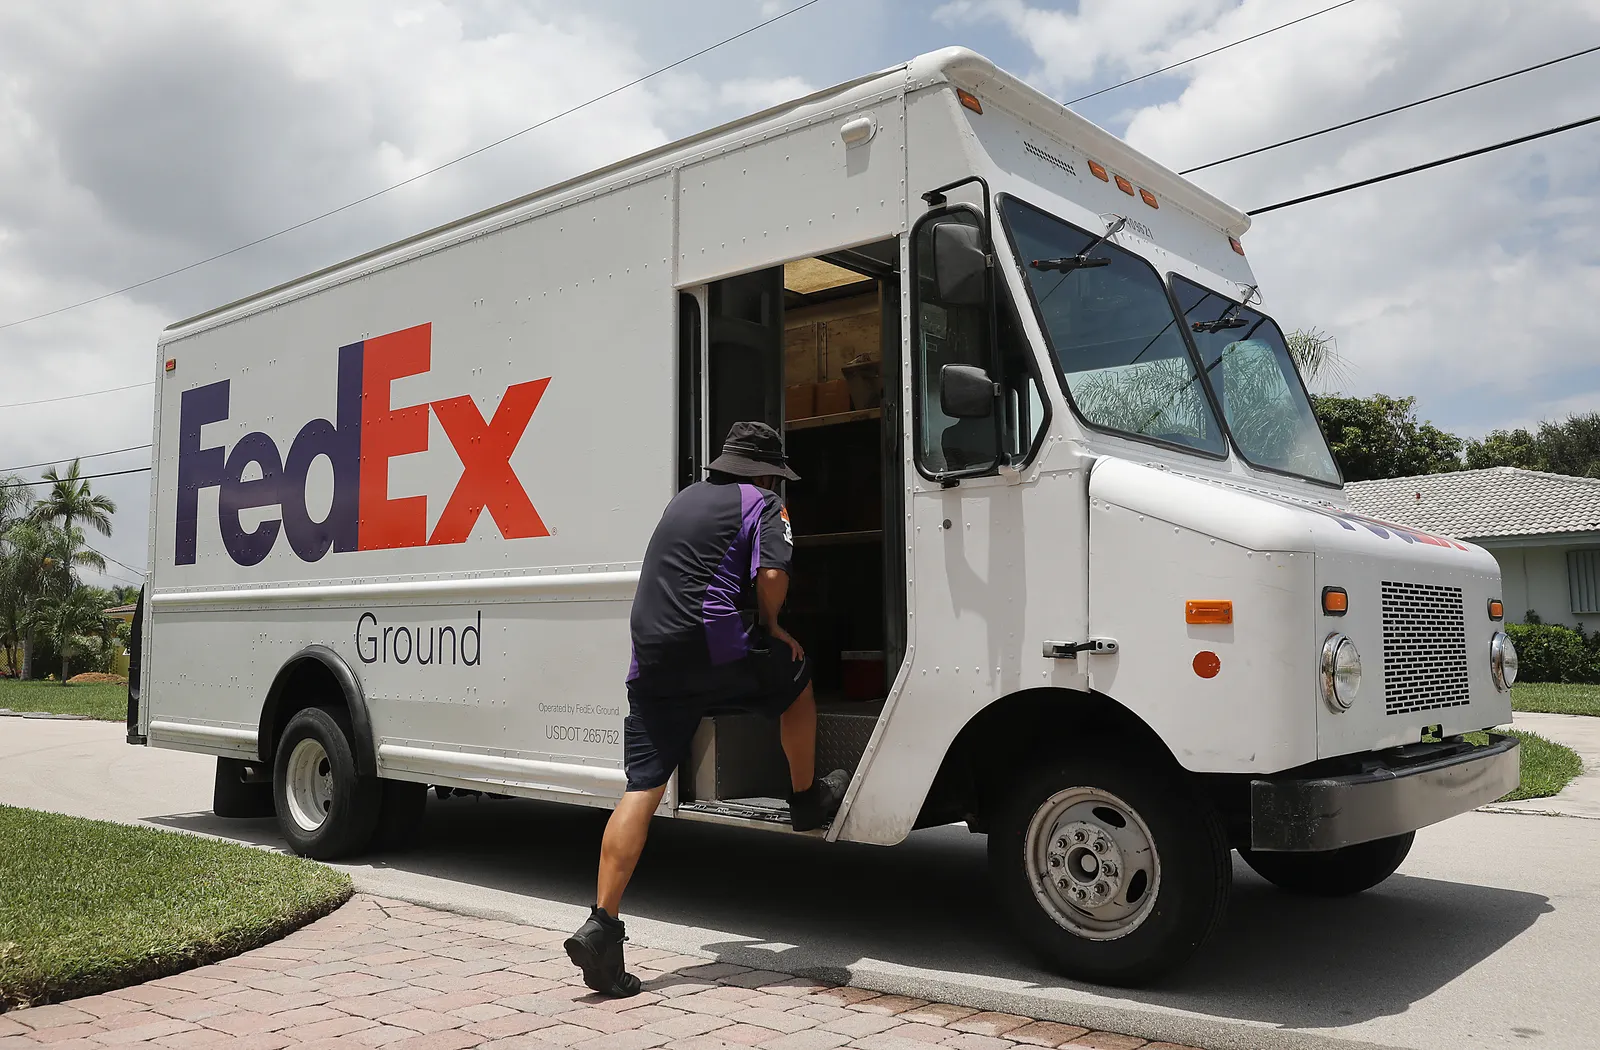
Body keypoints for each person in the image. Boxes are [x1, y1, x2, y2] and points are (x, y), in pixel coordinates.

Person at [564, 421, 849, 998]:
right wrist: (771, 625)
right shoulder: (764, 502)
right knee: (796, 675)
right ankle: (804, 800)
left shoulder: (683, 500)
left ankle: (602, 922)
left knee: (641, 788)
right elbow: (771, 573)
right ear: (767, 472)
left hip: (651, 655)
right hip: (712, 645)